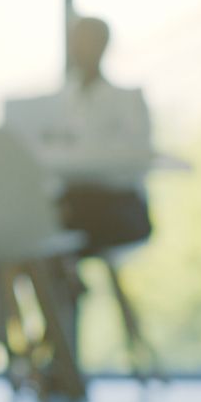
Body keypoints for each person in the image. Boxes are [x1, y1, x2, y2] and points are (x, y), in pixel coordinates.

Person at [52, 15, 153, 253]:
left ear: (103, 45)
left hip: (117, 207)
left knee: (62, 221)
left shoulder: (126, 100)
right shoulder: (62, 101)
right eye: (75, 41)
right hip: (72, 202)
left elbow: (136, 161)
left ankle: (67, 286)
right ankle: (64, 287)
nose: (78, 49)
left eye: (86, 41)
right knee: (34, 222)